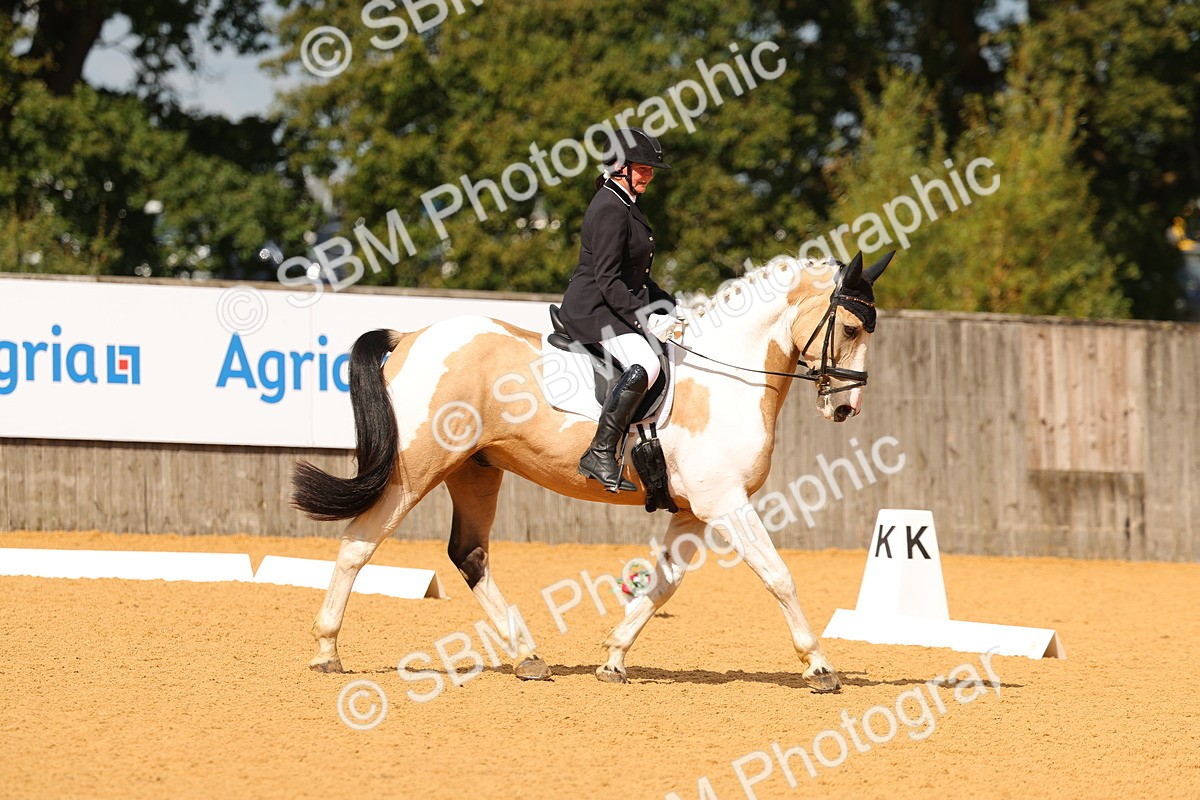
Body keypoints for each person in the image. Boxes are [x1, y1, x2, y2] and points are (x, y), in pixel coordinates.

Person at [559, 127, 678, 492]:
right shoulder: (611, 207)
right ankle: (600, 451)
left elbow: (637, 276)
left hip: (612, 303)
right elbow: (608, 279)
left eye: (650, 169)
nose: (649, 175)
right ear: (620, 166)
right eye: (642, 168)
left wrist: (671, 304)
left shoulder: (626, 202)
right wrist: (646, 318)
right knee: (648, 364)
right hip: (593, 308)